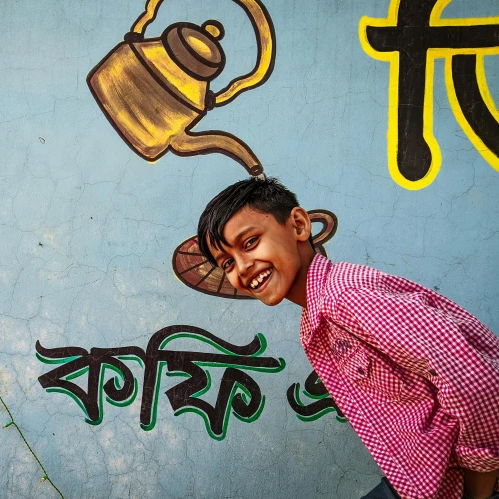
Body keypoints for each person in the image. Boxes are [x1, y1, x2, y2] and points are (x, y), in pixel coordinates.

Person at [196, 177, 499, 499]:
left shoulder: (347, 297)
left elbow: (477, 384)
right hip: (420, 481)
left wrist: (479, 489)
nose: (241, 267)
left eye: (250, 242)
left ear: (299, 225)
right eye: (227, 263)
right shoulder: (317, 315)